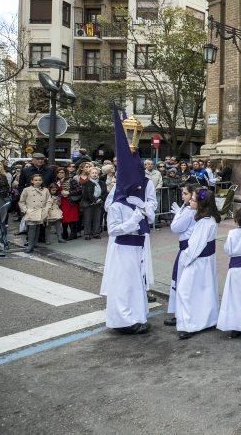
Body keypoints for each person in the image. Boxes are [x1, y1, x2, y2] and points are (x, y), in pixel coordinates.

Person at [100, 108, 155, 335]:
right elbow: (109, 208)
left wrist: (143, 208)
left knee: (137, 279)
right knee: (123, 280)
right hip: (122, 242)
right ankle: (124, 317)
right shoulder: (120, 189)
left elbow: (152, 205)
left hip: (140, 237)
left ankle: (136, 314)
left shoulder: (148, 183)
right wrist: (126, 209)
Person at [175, 188, 220, 339]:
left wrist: (184, 259)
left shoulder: (204, 223)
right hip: (204, 261)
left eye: (193, 199)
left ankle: (191, 324)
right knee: (204, 290)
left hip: (198, 261)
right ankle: (207, 319)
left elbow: (194, 247)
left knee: (186, 291)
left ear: (201, 204)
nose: (191, 201)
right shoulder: (208, 220)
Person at [217, 205, 241, 340]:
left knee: (235, 299)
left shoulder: (231, 233)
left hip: (234, 270)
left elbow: (228, 250)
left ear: (235, 220)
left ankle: (235, 327)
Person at [164, 184, 198, 327]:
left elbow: (175, 227)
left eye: (185, 193)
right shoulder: (188, 210)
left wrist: (178, 214)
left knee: (181, 282)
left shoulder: (190, 211)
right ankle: (180, 312)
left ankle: (181, 314)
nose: (183, 196)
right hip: (184, 248)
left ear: (192, 195)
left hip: (186, 250)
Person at [19, 174, 50, 253]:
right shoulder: (26, 190)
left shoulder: (45, 190)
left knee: (38, 227)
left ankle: (35, 243)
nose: (38, 182)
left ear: (42, 181)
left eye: (39, 180)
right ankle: (30, 245)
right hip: (31, 211)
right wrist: (26, 210)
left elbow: (49, 201)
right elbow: (22, 202)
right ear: (32, 181)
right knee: (32, 228)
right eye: (35, 180)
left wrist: (46, 209)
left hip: (41, 211)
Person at [81, 167, 107, 240]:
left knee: (97, 218)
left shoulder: (102, 183)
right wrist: (94, 200)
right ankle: (87, 234)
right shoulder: (86, 183)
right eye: (93, 173)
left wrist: (100, 199)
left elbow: (105, 193)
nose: (94, 174)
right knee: (88, 219)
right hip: (89, 203)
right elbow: (85, 194)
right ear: (89, 174)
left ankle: (96, 233)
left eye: (96, 173)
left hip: (99, 203)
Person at [0, 160, 12, 255]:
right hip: (0, 200)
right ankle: (2, 243)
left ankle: (0, 244)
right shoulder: (2, 176)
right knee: (0, 223)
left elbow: (3, 190)